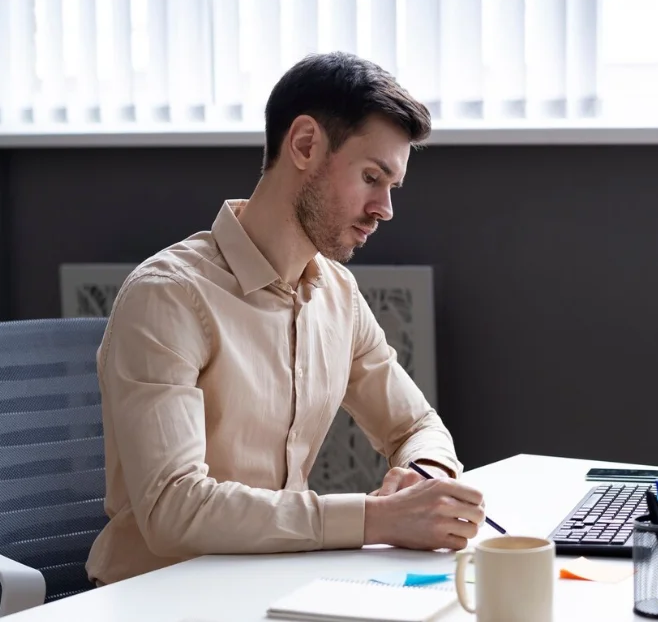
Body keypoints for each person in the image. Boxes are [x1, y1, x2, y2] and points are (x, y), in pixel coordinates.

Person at [85, 52, 485, 586]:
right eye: (371, 177)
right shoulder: (170, 297)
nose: (385, 208)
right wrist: (376, 519)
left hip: (274, 585)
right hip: (157, 595)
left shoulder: (338, 294)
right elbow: (173, 509)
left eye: (392, 186)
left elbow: (415, 425)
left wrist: (424, 478)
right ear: (304, 145)